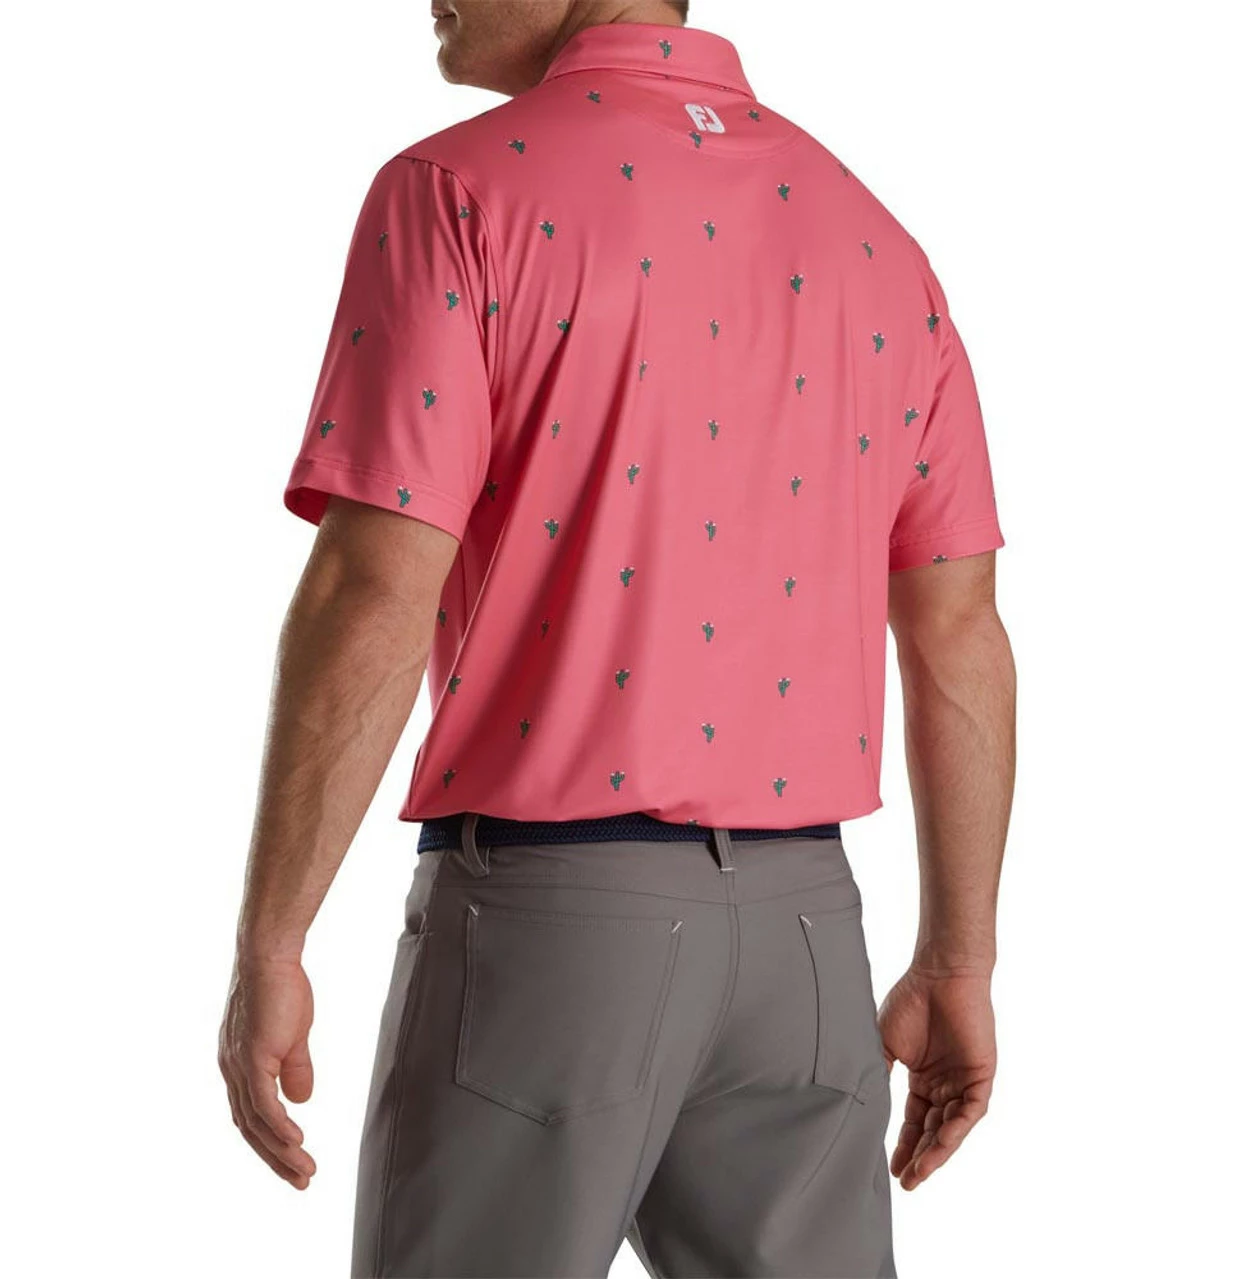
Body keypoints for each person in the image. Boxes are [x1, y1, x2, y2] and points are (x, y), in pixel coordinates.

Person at [217, 1, 1016, 1275]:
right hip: (809, 939)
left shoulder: (458, 192)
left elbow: (373, 588)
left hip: (553, 930)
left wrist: (272, 938)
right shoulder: (870, 237)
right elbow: (957, 627)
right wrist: (957, 960)